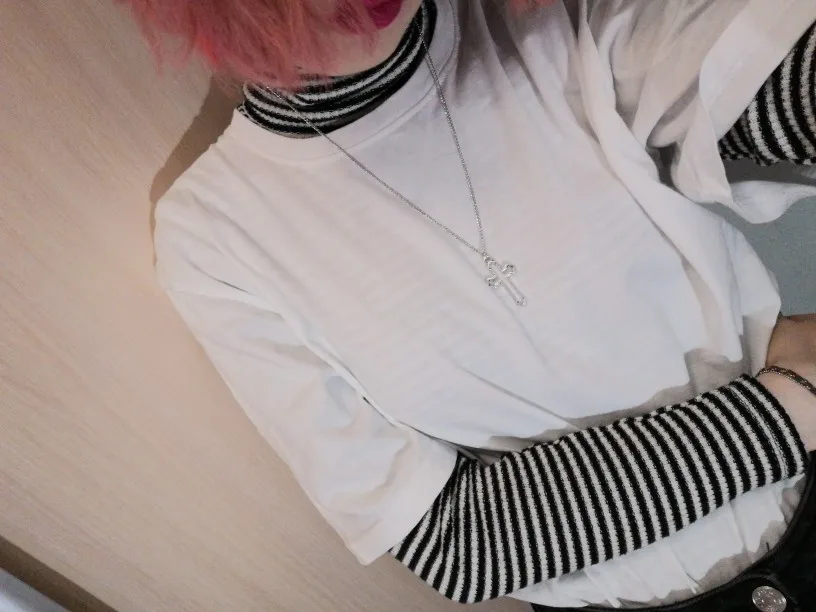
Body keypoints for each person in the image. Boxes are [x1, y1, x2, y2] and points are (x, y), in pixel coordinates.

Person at [119, 0, 816, 609]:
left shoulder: (556, 25)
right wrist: (794, 402)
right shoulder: (213, 238)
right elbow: (462, 546)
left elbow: (756, 75)